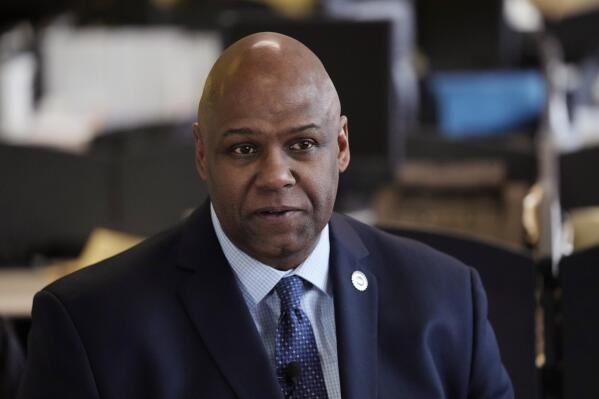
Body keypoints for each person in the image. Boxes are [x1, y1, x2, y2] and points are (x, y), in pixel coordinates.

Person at [18, 32, 513, 398]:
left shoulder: (446, 300)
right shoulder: (91, 325)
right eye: (244, 149)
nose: (277, 175)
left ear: (340, 146)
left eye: (303, 144)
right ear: (201, 155)